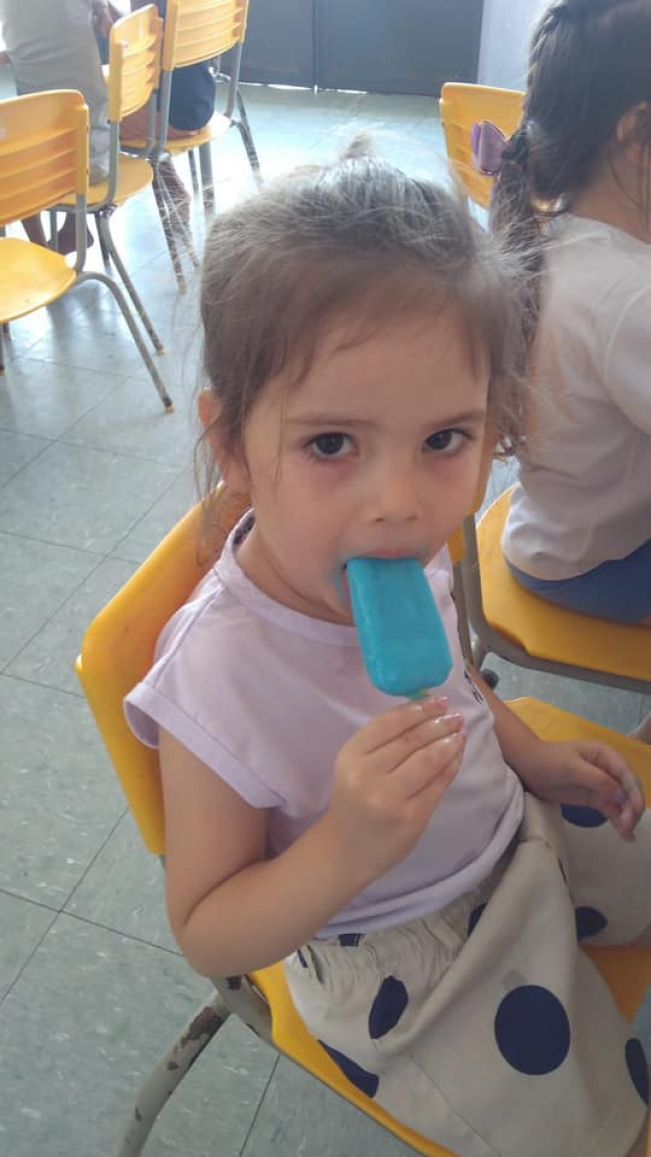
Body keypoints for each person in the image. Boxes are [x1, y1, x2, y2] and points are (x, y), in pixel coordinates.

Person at [124, 146, 651, 1157]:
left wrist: (532, 755)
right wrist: (347, 844)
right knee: (602, 1134)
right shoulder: (215, 678)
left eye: (445, 438)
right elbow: (208, 927)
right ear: (234, 450)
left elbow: (456, 679)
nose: (401, 501)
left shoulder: (409, 551)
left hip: (513, 819)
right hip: (403, 949)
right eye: (332, 444)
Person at [490, 0, 651, 742]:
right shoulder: (627, 297)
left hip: (554, 529)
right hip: (596, 561)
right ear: (636, 134)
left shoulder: (556, 235)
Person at [0, 0, 113, 250]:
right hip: (99, 155)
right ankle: (73, 226)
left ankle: (41, 250)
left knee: (12, 153)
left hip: (48, 172)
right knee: (69, 112)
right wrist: (102, 10)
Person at [121, 0, 217, 223]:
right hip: (202, 102)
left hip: (170, 116)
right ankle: (173, 190)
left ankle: (79, 222)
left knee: (91, 121)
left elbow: (133, 35)